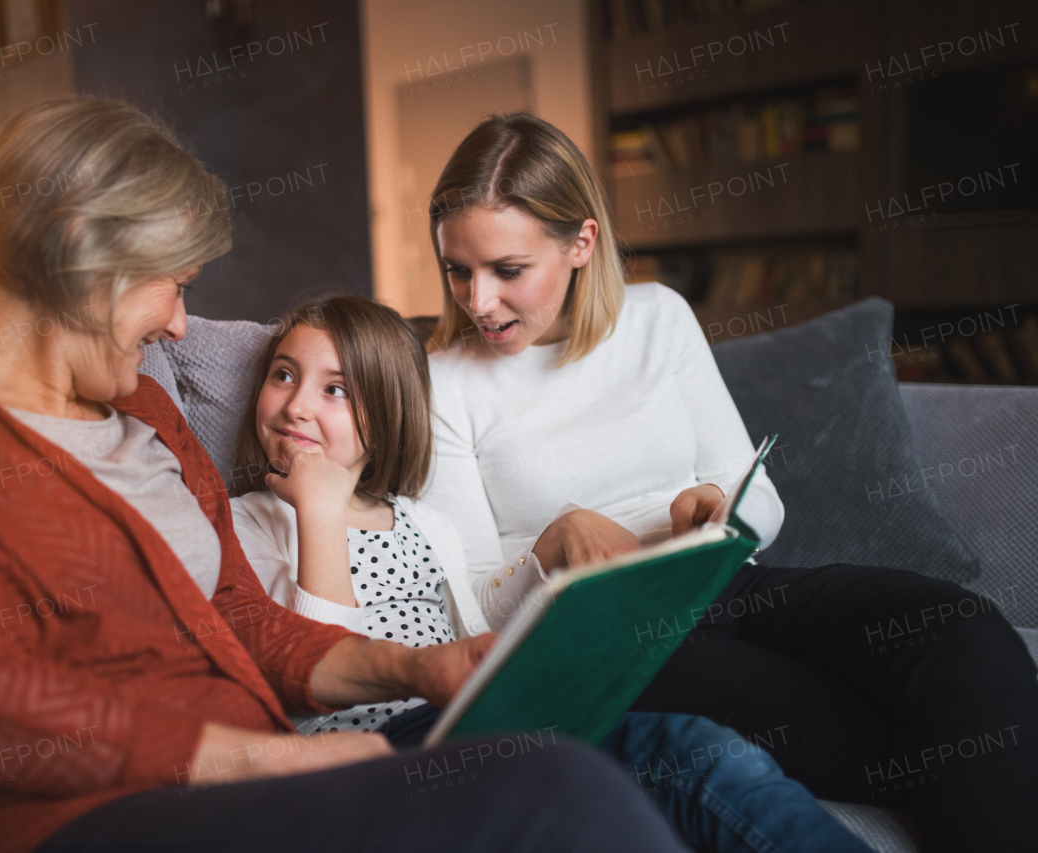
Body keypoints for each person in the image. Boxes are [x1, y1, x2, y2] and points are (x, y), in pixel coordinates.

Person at [0, 97, 692, 853]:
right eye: (172, 285)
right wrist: (280, 761)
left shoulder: (142, 409)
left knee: (634, 743)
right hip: (56, 822)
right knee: (549, 790)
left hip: (239, 778)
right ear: (81, 255)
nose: (182, 326)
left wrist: (419, 666)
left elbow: (238, 615)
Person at [418, 111, 1038, 853]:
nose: (477, 299)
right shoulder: (441, 379)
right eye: (458, 268)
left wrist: (714, 510)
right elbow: (463, 606)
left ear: (582, 242)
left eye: (507, 270)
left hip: (731, 584)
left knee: (961, 629)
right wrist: (550, 546)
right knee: (911, 729)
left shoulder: (659, 317)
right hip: (608, 640)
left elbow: (757, 497)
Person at [229, 294, 871, 853]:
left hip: (473, 722)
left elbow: (477, 626)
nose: (296, 407)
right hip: (376, 751)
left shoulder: (423, 521)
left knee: (710, 750)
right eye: (283, 375)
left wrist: (546, 557)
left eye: (335, 389)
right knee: (687, 763)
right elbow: (308, 682)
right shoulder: (246, 523)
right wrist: (317, 508)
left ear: (388, 411)